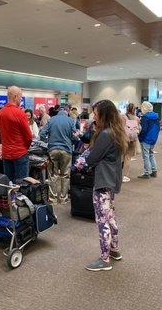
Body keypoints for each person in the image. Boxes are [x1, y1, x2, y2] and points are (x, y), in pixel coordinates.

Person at [75, 100, 128, 271]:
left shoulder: (106, 134)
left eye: (96, 113)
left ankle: (104, 259)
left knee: (102, 220)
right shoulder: (116, 132)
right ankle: (114, 249)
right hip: (111, 181)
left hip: (103, 182)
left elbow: (91, 159)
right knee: (110, 216)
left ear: (104, 114)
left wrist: (81, 161)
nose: (93, 116)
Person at [40, 106, 79, 204]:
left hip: (53, 150)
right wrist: (72, 143)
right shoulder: (70, 121)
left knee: (53, 175)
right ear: (67, 112)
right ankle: (63, 198)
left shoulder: (51, 120)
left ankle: (52, 199)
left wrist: (48, 142)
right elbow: (75, 136)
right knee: (65, 175)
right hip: (66, 150)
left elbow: (42, 134)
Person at [0, 86, 32, 183]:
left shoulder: (1, 112)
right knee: (22, 185)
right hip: (20, 153)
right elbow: (29, 136)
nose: (21, 99)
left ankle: (10, 199)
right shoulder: (20, 113)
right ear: (15, 97)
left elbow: (1, 133)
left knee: (9, 184)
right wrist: (25, 147)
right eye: (20, 97)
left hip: (6, 153)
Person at [138, 101, 160, 179]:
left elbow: (144, 130)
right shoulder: (156, 116)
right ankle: (154, 171)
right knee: (151, 154)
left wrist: (140, 138)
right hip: (154, 138)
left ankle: (146, 173)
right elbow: (158, 128)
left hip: (146, 139)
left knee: (146, 156)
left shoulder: (145, 117)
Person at [122, 103, 140, 182]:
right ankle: (125, 175)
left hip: (123, 139)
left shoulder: (122, 117)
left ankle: (118, 174)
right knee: (128, 158)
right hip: (132, 140)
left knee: (121, 157)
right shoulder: (137, 118)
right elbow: (138, 129)